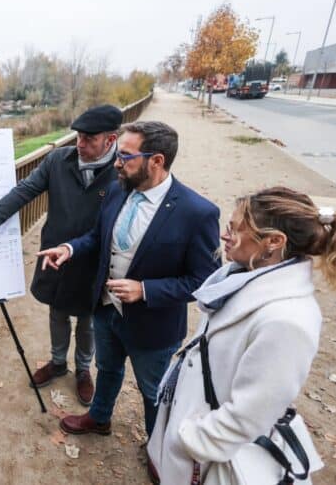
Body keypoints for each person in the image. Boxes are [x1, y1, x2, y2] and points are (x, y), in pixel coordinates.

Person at [38, 120, 221, 439]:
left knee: (153, 391)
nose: (117, 162)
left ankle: (157, 447)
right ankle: (99, 418)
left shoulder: (197, 213)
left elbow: (203, 280)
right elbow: (98, 236)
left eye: (125, 156)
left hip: (153, 325)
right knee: (107, 370)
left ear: (157, 160)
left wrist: (146, 290)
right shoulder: (117, 190)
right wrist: (70, 248)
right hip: (106, 310)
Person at [147, 187, 336, 484]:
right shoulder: (239, 277)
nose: (225, 236)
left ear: (273, 242)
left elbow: (249, 415)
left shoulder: (288, 320)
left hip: (212, 455)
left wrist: (188, 441)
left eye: (236, 230)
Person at [0, 105, 121, 405]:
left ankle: (83, 370)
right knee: (56, 310)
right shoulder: (58, 160)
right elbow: (23, 192)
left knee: (87, 320)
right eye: (78, 136)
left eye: (89, 139)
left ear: (110, 140)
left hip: (94, 259)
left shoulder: (123, 171)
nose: (79, 144)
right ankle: (58, 362)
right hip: (53, 253)